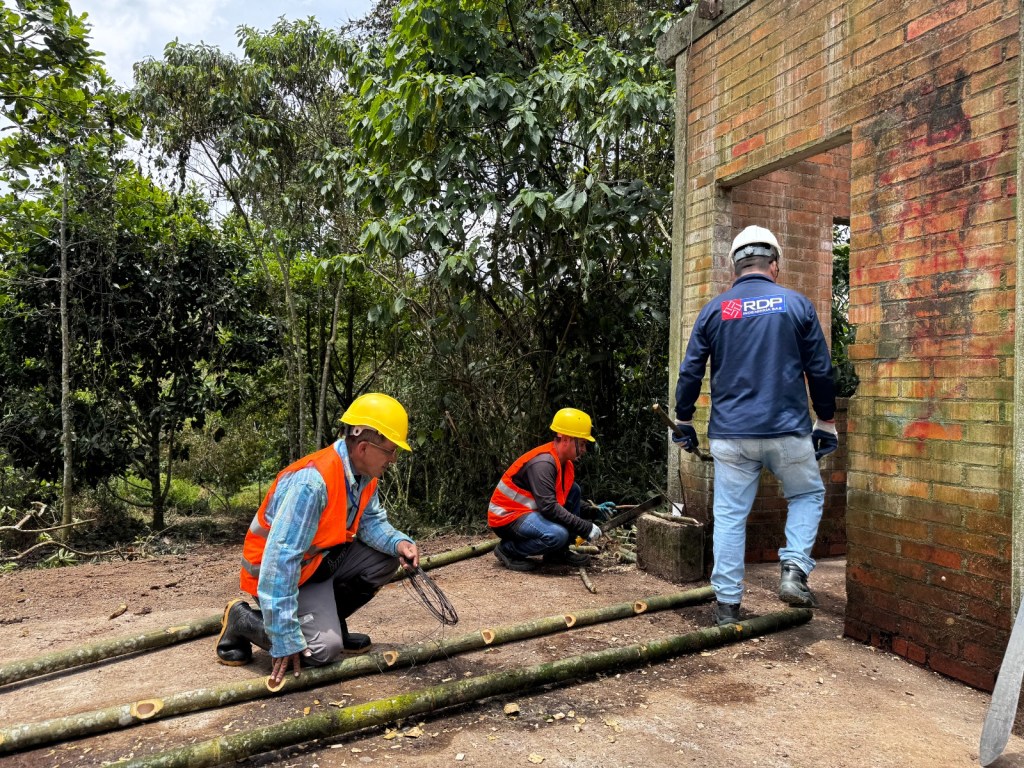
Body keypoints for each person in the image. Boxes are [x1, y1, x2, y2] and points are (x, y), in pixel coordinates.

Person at [672, 225, 839, 627]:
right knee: (806, 494)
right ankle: (795, 569)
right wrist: (827, 420)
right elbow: (820, 369)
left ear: (736, 266)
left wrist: (682, 419)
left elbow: (691, 370)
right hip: (787, 431)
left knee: (730, 516)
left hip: (731, 435)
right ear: (775, 266)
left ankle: (727, 606)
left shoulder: (717, 309)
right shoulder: (796, 305)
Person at [215, 392, 419, 684]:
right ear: (363, 447)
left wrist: (399, 543)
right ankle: (242, 620)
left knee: (385, 557)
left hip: (315, 566)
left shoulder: (364, 477)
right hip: (278, 577)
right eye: (390, 451)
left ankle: (328, 621)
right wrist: (285, 636)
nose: (394, 459)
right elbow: (280, 561)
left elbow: (371, 523)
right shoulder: (312, 484)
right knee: (321, 651)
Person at [488, 407, 614, 572]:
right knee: (557, 535)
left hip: (527, 512)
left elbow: (562, 497)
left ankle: (557, 554)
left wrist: (592, 511)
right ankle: (508, 550)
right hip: (507, 518)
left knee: (574, 490)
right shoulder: (544, 463)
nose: (584, 450)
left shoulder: (564, 463)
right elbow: (548, 507)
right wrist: (585, 527)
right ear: (567, 439)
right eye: (582, 444)